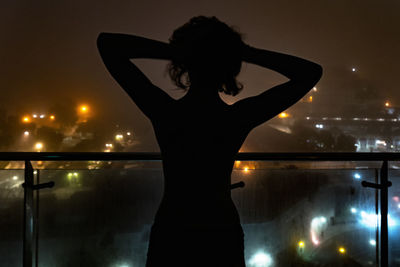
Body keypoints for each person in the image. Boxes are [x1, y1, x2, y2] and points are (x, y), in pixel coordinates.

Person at [97, 16, 322, 267]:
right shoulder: (236, 119)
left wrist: (180, 51)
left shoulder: (166, 113)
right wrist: (246, 54)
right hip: (220, 229)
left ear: (186, 65)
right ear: (228, 67)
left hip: (173, 228)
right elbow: (310, 73)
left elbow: (108, 45)